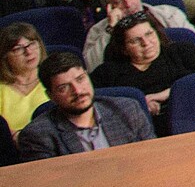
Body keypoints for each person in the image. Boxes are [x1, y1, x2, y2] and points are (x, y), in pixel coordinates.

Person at [90, 9, 195, 135]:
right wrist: (142, 106)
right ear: (124, 49)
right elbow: (96, 105)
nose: (146, 43)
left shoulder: (182, 52)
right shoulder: (108, 72)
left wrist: (161, 95)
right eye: (135, 40)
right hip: (137, 131)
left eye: (149, 34)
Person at [19, 51, 155, 158]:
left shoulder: (128, 110)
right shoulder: (38, 136)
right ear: (51, 96)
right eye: (64, 87)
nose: (77, 91)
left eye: (80, 79)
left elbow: (153, 158)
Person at [84, 0, 195, 69]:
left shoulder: (170, 13)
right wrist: (110, 28)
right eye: (119, 1)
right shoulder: (98, 30)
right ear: (109, 6)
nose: (128, 4)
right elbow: (92, 67)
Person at [0, 21, 48, 133]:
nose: (28, 52)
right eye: (18, 49)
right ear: (5, 56)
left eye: (32, 44)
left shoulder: (54, 80)